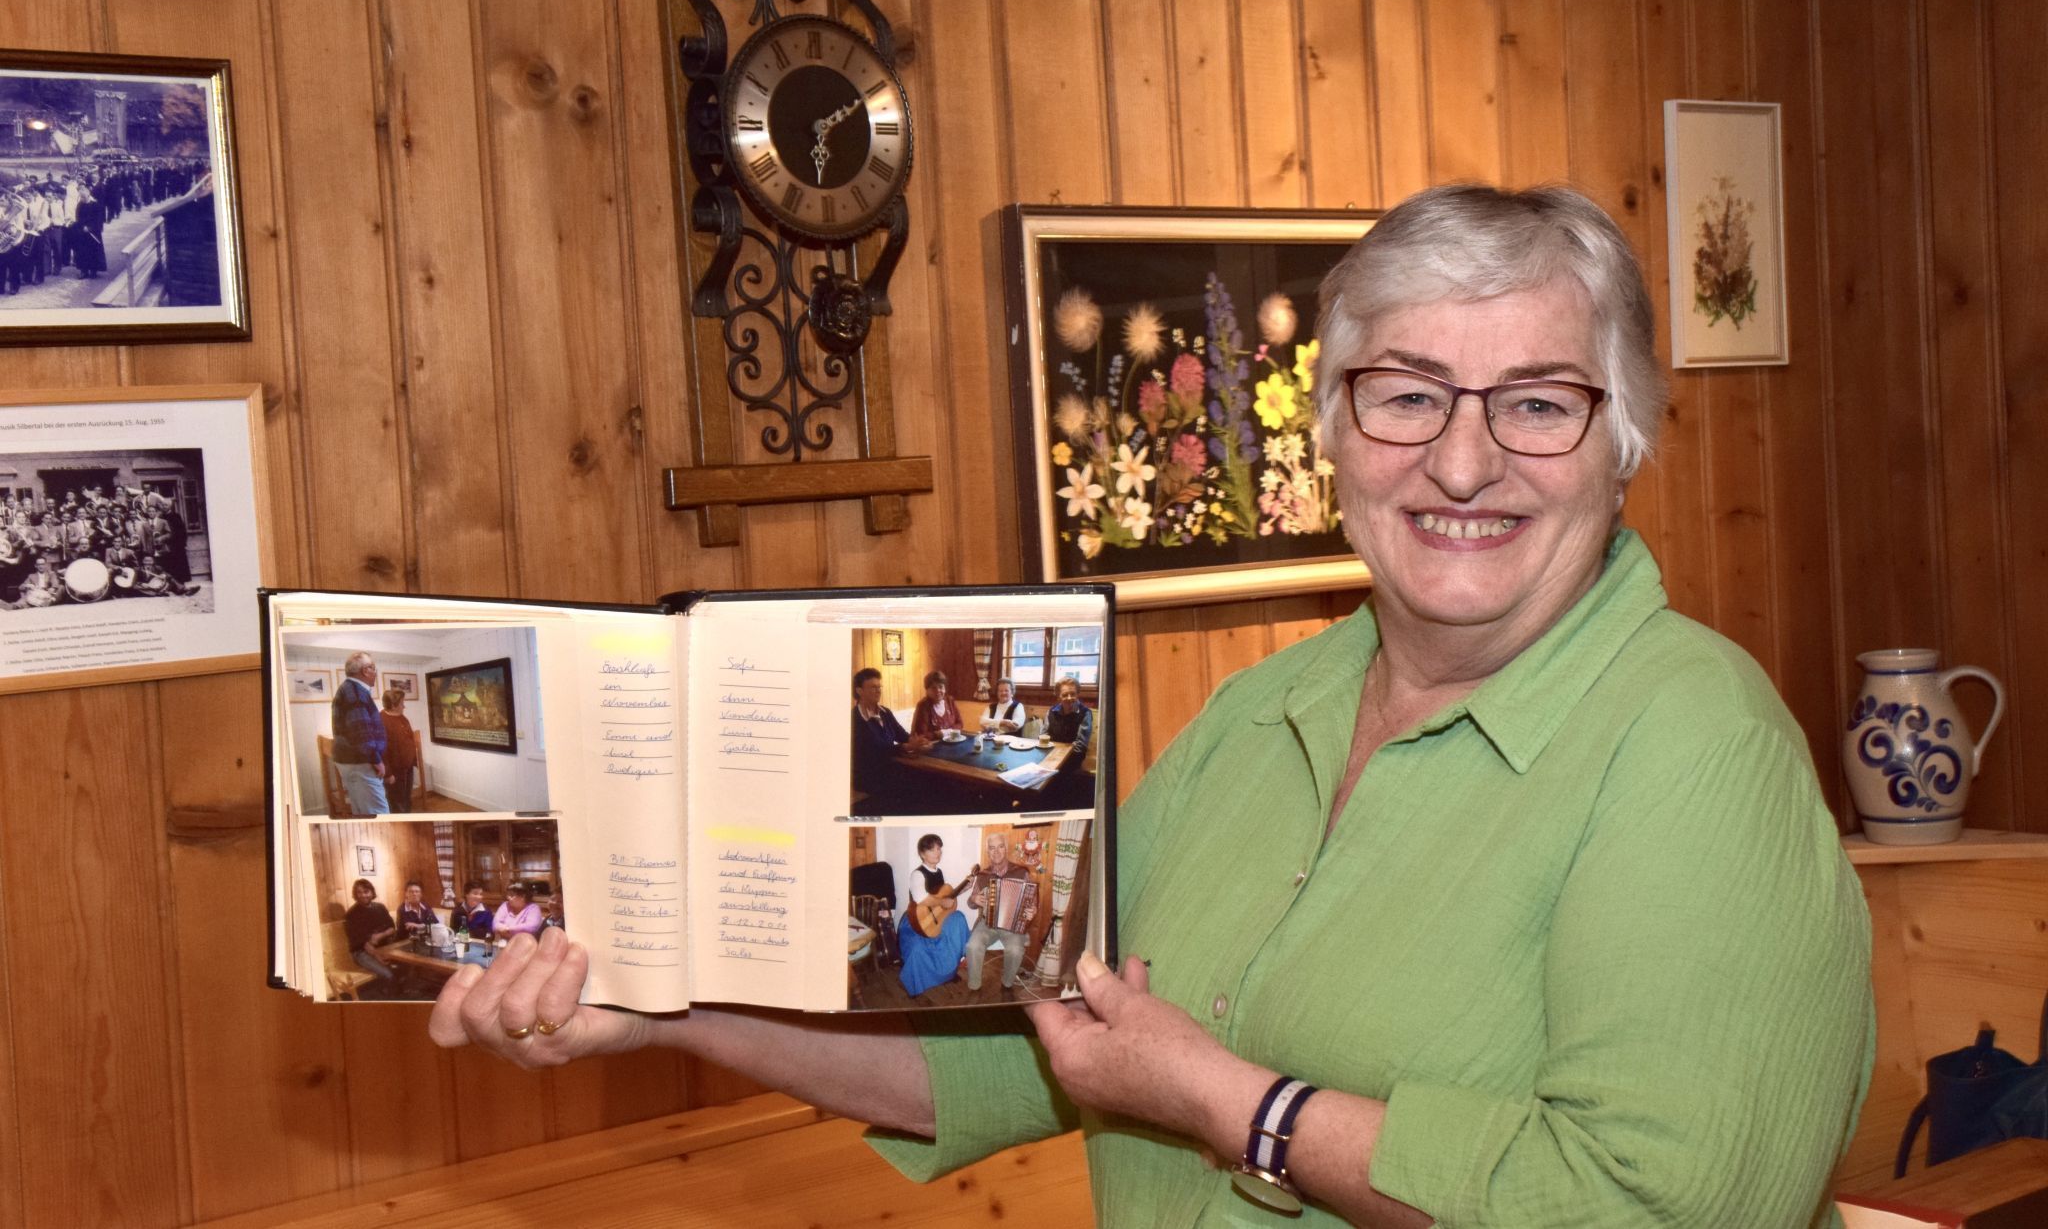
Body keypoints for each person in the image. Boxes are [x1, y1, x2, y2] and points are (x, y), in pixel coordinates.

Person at [430, 184, 1873, 1227]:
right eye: (1409, 394)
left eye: (1539, 402)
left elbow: (1657, 1208)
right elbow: (1015, 1055)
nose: (1463, 460)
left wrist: (1235, 1103)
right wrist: (667, 1005)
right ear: (1330, 434)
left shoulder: (1698, 743)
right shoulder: (1264, 714)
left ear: (1625, 439)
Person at [957, 830, 1037, 1000]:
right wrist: (974, 899)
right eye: (992, 848)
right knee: (972, 946)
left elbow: (1032, 899)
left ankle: (1007, 984)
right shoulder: (983, 875)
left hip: (1013, 925)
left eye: (1000, 847)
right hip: (988, 923)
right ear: (988, 852)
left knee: (1016, 950)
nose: (996, 851)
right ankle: (974, 987)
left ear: (1006, 848)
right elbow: (971, 903)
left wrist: (1032, 910)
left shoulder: (1021, 872)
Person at [895, 833, 971, 998]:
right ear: (922, 853)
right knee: (917, 948)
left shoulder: (939, 872)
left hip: (935, 919)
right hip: (918, 922)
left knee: (958, 920)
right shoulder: (917, 874)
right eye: (932, 849)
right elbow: (920, 897)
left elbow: (944, 897)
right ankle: (916, 983)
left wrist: (962, 890)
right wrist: (941, 902)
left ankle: (949, 972)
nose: (937, 853)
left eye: (939, 849)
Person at [850, 666, 931, 799]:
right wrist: (907, 747)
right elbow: (876, 750)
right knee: (916, 785)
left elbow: (902, 735)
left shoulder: (885, 712)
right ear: (859, 691)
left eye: (879, 687)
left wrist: (919, 741)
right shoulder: (855, 719)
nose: (878, 691)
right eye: (873, 687)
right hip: (869, 776)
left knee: (926, 778)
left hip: (889, 767)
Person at [330, 652, 389, 816]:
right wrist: (376, 759)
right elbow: (361, 732)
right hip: (360, 764)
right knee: (378, 813)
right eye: (373, 668)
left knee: (362, 810)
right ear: (365, 671)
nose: (375, 673)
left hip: (353, 762)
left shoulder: (349, 689)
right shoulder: (355, 692)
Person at [343, 879, 400, 996]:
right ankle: (386, 998)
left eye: (366, 891)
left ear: (372, 892)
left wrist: (380, 935)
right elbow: (362, 943)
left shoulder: (380, 907)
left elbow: (392, 928)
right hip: (361, 952)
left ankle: (395, 992)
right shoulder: (351, 915)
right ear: (355, 894)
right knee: (388, 974)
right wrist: (378, 956)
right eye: (359, 892)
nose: (363, 895)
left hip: (383, 947)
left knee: (402, 966)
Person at [379, 688, 420, 814]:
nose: (404, 706)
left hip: (407, 768)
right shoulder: (381, 721)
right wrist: (388, 774)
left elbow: (408, 740)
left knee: (406, 799)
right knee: (397, 803)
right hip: (394, 772)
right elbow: (381, 751)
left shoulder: (401, 717)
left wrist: (412, 761)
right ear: (393, 705)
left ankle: (408, 821)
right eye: (402, 703)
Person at [909, 669, 963, 739]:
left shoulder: (950, 701)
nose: (938, 691)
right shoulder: (923, 706)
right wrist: (937, 734)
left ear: (945, 688)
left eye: (941, 687)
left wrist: (948, 731)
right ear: (927, 690)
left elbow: (960, 723)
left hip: (952, 742)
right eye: (933, 688)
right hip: (931, 747)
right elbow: (920, 734)